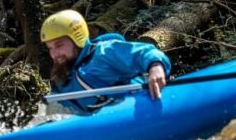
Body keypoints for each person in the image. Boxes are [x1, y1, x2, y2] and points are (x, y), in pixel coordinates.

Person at [40, 9, 171, 115]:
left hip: (138, 110)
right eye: (50, 48)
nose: (54, 54)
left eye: (59, 45)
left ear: (76, 39)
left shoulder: (104, 52)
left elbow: (143, 51)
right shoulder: (61, 77)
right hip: (100, 127)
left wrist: (155, 67)